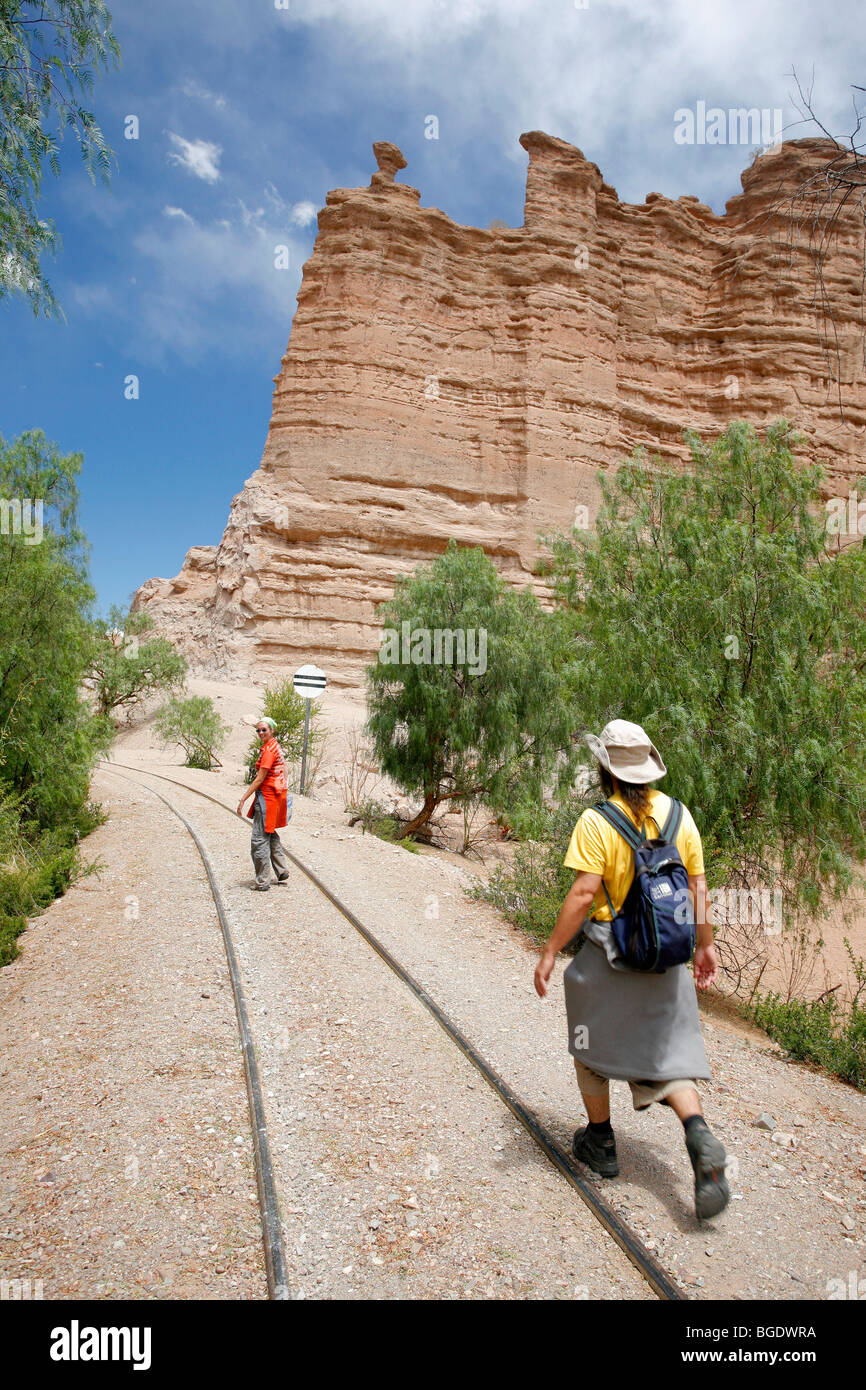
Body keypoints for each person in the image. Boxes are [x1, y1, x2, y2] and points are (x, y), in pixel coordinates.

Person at [534, 719, 729, 1221]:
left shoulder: (597, 821)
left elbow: (583, 894)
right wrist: (705, 946)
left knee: (588, 1044)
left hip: (611, 955)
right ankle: (699, 1134)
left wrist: (552, 950)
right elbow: (698, 892)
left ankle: (600, 1142)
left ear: (606, 771)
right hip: (666, 957)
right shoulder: (679, 816)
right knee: (665, 1058)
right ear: (648, 768)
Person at [237, 717, 292, 891]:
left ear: (272, 730)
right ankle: (281, 870)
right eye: (258, 730)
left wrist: (243, 798)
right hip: (275, 797)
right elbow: (285, 770)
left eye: (264, 730)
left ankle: (262, 881)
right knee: (269, 833)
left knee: (259, 840)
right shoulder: (276, 746)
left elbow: (260, 778)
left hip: (266, 799)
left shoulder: (268, 750)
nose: (261, 733)